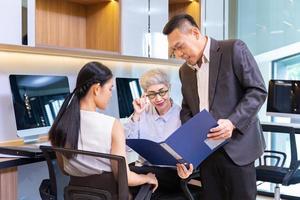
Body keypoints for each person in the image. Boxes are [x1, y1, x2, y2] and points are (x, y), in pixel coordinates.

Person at [163, 14, 268, 200]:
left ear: (195, 33)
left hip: (237, 149)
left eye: (179, 46)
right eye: (174, 51)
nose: (178, 54)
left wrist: (232, 122)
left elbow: (257, 90)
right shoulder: (185, 71)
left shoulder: (233, 49)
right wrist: (190, 148)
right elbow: (187, 110)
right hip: (207, 153)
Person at [48, 61, 158, 198]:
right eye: (110, 89)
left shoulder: (61, 124)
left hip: (75, 195)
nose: (111, 94)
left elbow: (64, 169)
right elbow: (125, 178)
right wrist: (147, 178)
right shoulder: (112, 125)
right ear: (96, 89)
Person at [124, 69, 185, 198]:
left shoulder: (182, 115)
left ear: (169, 87)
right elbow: (126, 147)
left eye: (162, 92)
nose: (158, 98)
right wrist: (136, 115)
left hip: (171, 173)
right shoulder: (142, 113)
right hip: (145, 169)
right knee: (121, 174)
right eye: (151, 94)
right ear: (145, 94)